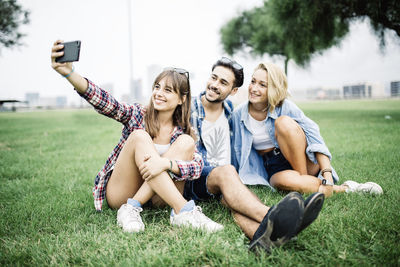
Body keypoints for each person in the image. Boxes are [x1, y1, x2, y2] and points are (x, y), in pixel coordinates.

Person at [50, 40, 223, 233]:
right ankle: (180, 210)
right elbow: (106, 102)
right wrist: (69, 73)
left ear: (182, 99)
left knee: (187, 142)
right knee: (139, 136)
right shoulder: (137, 114)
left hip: (158, 199)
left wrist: (166, 164)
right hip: (123, 192)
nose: (158, 93)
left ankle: (136, 207)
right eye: (157, 87)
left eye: (167, 90)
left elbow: (197, 167)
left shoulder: (184, 130)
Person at [184, 57, 325, 253]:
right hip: (197, 175)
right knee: (227, 174)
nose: (215, 85)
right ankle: (276, 217)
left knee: (233, 199)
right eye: (214, 78)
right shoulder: (187, 108)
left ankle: (262, 239)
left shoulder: (229, 112)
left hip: (222, 180)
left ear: (233, 91)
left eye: (223, 82)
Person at [231, 62, 383, 197]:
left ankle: (304, 181)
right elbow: (230, 145)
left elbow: (314, 137)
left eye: (262, 85)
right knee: (282, 181)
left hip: (303, 159)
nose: (254, 88)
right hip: (274, 167)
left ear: (274, 88)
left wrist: (327, 173)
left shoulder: (285, 106)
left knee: (283, 122)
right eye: (253, 82)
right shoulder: (239, 115)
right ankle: (347, 188)